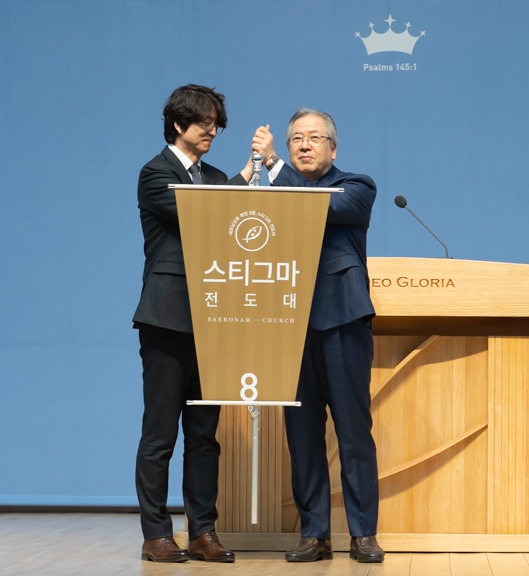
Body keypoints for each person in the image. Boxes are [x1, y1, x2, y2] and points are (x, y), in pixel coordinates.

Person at [251, 109, 385, 563]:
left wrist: (274, 165)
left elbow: (317, 208)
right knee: (303, 435)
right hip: (287, 325)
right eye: (295, 140)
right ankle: (314, 533)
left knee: (353, 432)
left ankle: (363, 533)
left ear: (333, 147)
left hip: (341, 322)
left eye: (313, 138)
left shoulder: (355, 186)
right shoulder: (271, 191)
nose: (304, 145)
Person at [133, 84, 252, 563]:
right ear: (178, 124)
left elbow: (236, 227)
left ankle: (203, 532)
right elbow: (201, 212)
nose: (212, 131)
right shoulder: (155, 173)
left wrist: (246, 181)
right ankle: (156, 535)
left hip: (214, 317)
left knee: (204, 436)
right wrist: (245, 177)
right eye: (204, 122)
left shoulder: (217, 177)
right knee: (160, 434)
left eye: (217, 124)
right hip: (166, 317)